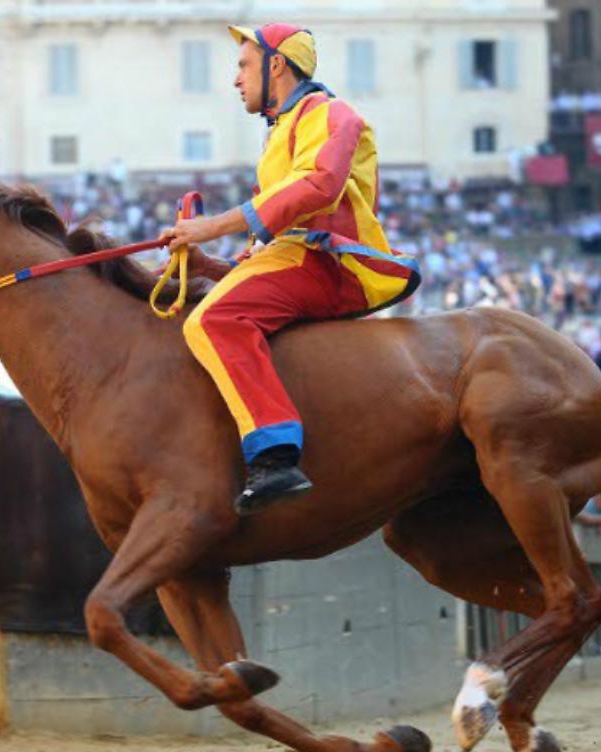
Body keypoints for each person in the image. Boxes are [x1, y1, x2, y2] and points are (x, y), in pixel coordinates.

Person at [162, 23, 421, 514]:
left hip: (328, 261)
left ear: (275, 64)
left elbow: (318, 187)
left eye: (243, 65)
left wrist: (210, 227)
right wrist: (204, 263)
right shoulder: (282, 132)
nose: (235, 79)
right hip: (295, 258)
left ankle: (274, 455)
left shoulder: (330, 113)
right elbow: (267, 248)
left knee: (215, 321)